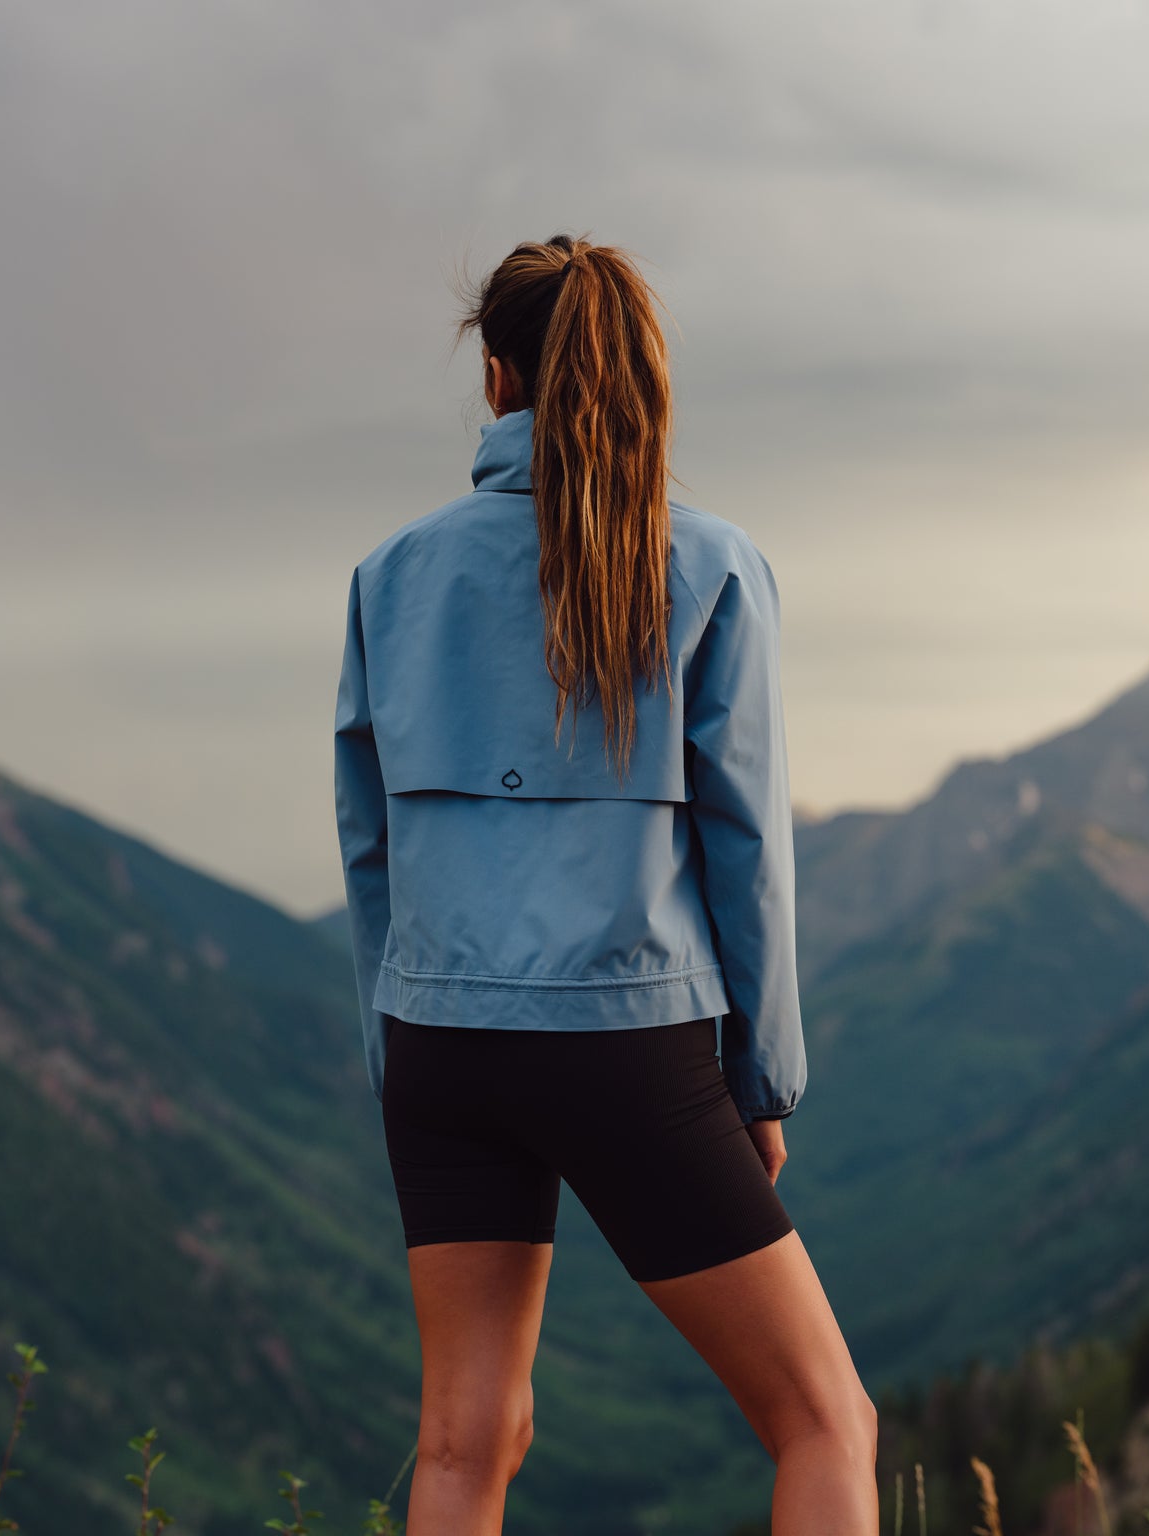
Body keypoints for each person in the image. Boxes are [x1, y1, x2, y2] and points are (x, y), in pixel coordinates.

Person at [331, 233, 877, 1536]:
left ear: (499, 379)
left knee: (468, 1440)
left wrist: (401, 1059)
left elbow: (371, 853)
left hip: (440, 1040)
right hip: (628, 1039)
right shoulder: (710, 566)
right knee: (824, 1422)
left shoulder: (392, 576)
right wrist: (762, 1080)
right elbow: (748, 850)